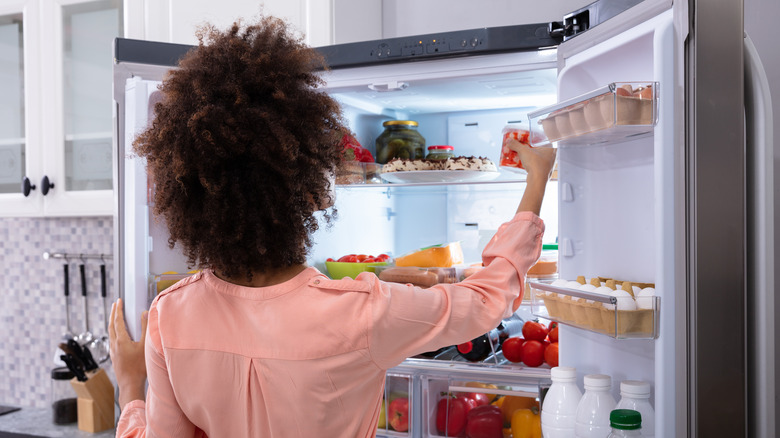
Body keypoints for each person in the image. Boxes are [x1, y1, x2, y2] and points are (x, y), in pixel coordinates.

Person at [109, 15, 557, 438]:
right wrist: (536, 179)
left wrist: (131, 388)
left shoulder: (170, 315)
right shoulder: (361, 312)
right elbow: (485, 300)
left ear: (185, 195)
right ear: (307, 191)